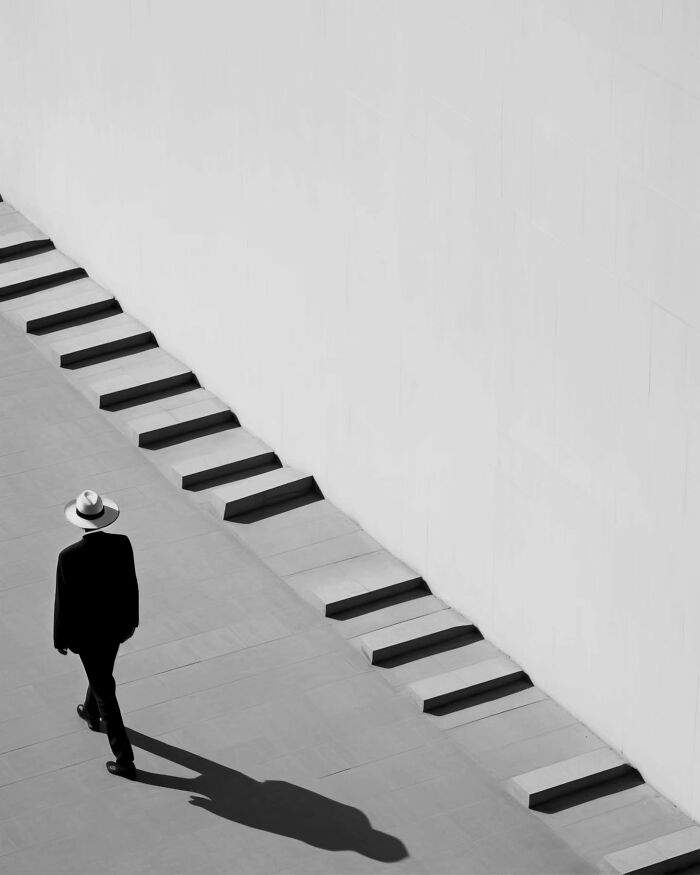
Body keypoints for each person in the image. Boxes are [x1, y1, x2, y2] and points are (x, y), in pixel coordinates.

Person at [54, 489, 139, 780]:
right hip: (115, 629)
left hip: (87, 636)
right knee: (102, 674)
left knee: (106, 692)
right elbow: (131, 586)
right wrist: (131, 623)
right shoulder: (122, 544)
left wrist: (60, 639)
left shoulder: (68, 557)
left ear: (79, 521)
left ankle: (125, 761)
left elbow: (63, 602)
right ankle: (91, 712)